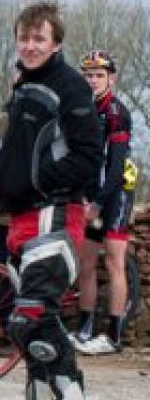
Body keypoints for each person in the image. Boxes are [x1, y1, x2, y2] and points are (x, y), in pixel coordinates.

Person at [0, 2, 105, 400]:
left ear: (56, 43)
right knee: (22, 326)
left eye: (40, 38)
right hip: (20, 218)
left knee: (33, 316)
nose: (30, 45)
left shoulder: (70, 86)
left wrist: (37, 181)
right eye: (25, 37)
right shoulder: (25, 83)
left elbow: (89, 159)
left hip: (54, 215)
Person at [74, 50, 134, 355]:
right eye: (89, 75)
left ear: (111, 78)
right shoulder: (85, 110)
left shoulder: (116, 112)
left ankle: (113, 334)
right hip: (92, 196)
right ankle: (84, 327)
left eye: (99, 75)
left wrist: (97, 202)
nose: (93, 80)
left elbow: (116, 165)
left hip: (116, 193)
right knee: (85, 262)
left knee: (113, 263)